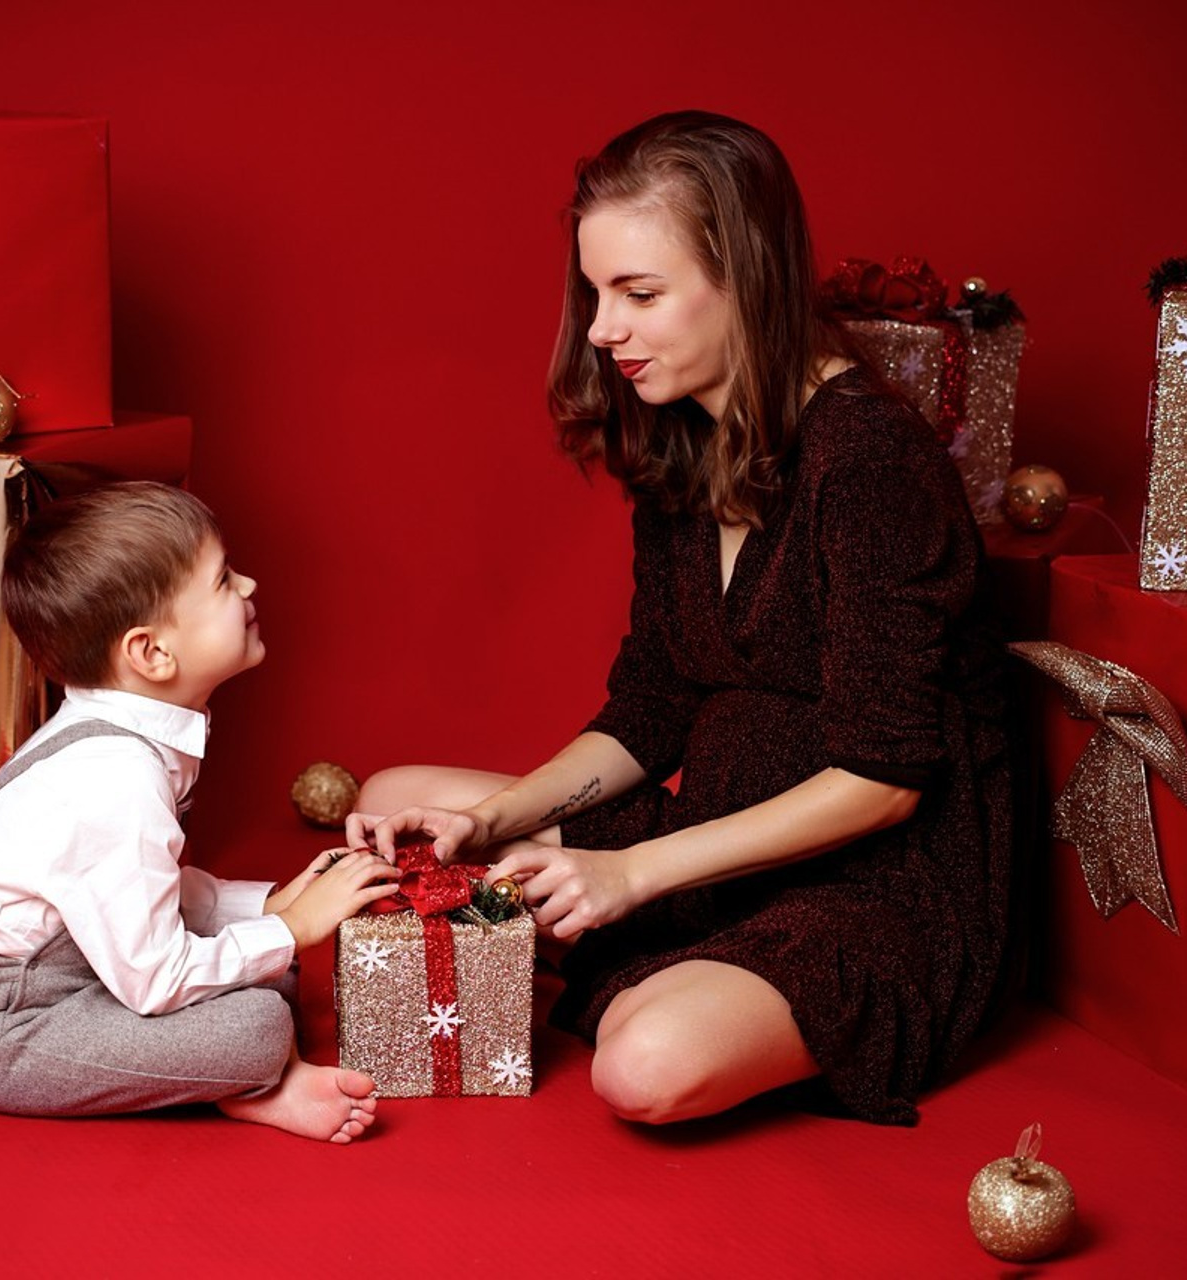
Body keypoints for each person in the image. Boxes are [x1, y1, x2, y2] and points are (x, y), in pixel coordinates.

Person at [346, 111, 1012, 1127]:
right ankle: (640, 950)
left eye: (639, 293)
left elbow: (883, 783)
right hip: (710, 836)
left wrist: (630, 872)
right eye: (595, 293)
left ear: (747, 278)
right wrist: (491, 820)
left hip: (871, 885)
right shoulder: (686, 445)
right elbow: (651, 707)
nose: (601, 329)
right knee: (401, 799)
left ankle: (650, 972)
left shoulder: (869, 460)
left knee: (644, 1068)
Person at [0, 481, 400, 1142]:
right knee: (257, 1023)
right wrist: (295, 926)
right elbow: (156, 978)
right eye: (223, 580)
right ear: (152, 653)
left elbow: (140, 889)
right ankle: (251, 1079)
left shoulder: (134, 733)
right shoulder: (115, 777)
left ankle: (227, 1075)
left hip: (75, 965)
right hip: (0, 1023)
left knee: (271, 969)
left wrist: (269, 905)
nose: (250, 586)